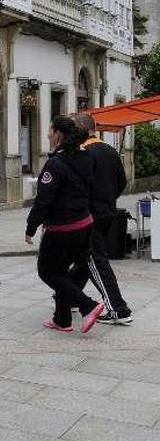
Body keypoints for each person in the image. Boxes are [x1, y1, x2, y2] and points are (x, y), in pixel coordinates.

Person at [25, 116, 103, 333]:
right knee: (61, 272)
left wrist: (30, 228)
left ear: (58, 134)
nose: (48, 135)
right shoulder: (86, 157)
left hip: (62, 229)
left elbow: (43, 201)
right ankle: (62, 319)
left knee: (47, 272)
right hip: (84, 224)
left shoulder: (55, 164)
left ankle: (89, 306)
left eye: (50, 131)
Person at [68, 112, 132, 325]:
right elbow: (122, 181)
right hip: (107, 212)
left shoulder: (84, 152)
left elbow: (77, 186)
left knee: (95, 260)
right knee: (83, 258)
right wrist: (108, 199)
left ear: (81, 130)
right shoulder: (109, 150)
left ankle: (117, 307)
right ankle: (69, 296)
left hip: (89, 215)